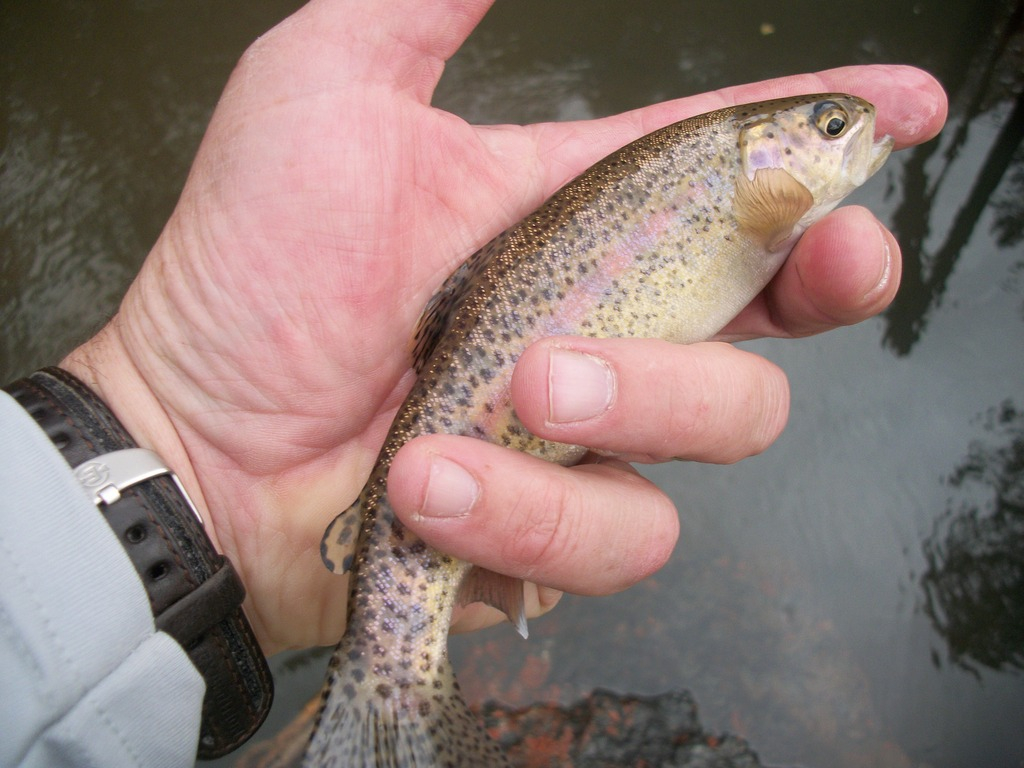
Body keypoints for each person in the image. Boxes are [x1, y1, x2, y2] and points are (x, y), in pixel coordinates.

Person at [0, 0, 947, 765]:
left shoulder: (750, 218)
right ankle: (394, 681)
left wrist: (169, 479)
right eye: (829, 128)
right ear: (763, 163)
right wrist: (183, 453)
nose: (849, 136)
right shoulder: (735, 201)